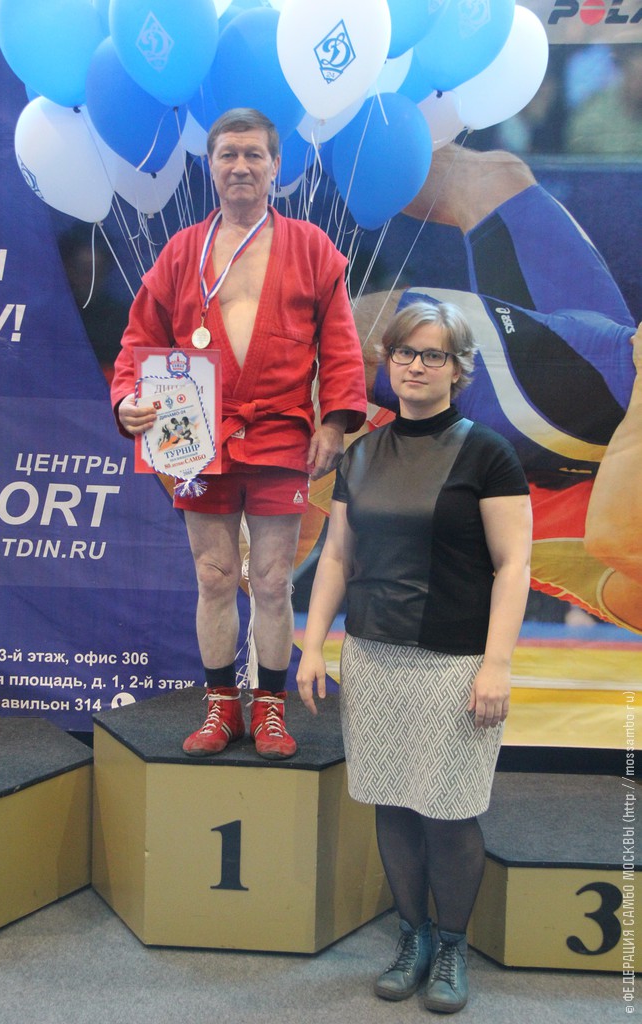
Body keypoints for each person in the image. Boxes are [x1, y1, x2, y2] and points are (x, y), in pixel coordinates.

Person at [297, 299, 532, 1013]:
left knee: (449, 812)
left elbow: (514, 565)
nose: (416, 366)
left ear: (458, 370)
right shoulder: (360, 453)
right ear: (388, 361)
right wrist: (312, 646)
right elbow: (336, 557)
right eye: (404, 352)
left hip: (456, 663)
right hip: (372, 657)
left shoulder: (487, 452)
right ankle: (413, 938)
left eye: (434, 355)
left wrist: (496, 664)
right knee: (393, 805)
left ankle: (452, 947)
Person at [111, 108, 367, 759]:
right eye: (228, 154)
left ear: (276, 166)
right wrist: (128, 399)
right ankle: (222, 707)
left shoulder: (312, 247)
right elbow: (138, 339)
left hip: (282, 432)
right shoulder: (182, 251)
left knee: (274, 579)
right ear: (211, 166)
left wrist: (335, 420)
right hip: (197, 433)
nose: (241, 166)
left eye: (254, 154)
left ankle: (271, 711)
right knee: (215, 575)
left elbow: (340, 345)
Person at [355, 143, 642, 632]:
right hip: (589, 399)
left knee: (362, 343)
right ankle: (339, 125)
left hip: (580, 423)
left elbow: (616, 538)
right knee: (494, 177)